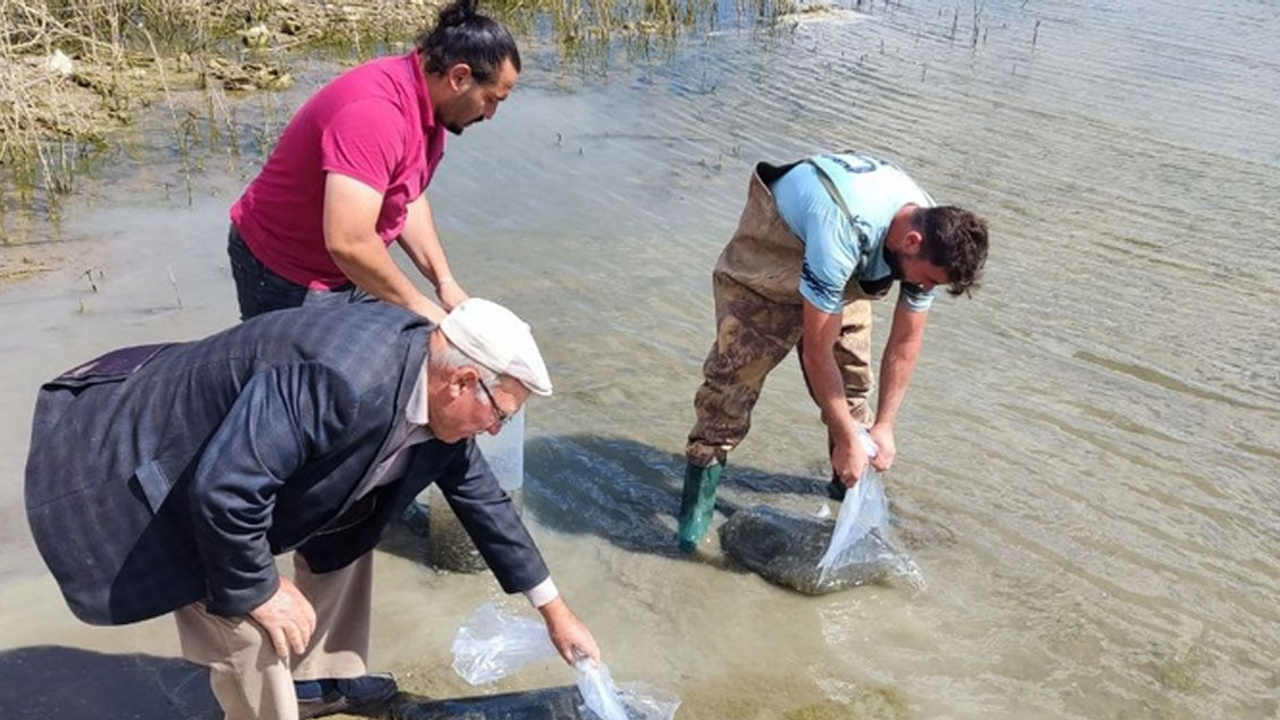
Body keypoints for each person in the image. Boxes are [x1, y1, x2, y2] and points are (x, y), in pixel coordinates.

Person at [24, 299, 600, 720]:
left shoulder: (432, 391)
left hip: (232, 469)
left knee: (356, 531)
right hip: (157, 470)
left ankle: (323, 682)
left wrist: (554, 611)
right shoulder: (341, 378)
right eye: (500, 413)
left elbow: (484, 503)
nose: (498, 428)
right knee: (250, 628)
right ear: (463, 380)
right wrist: (262, 590)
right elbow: (223, 490)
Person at [677, 151, 989, 552]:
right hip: (772, 254)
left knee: (854, 391)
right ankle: (692, 521)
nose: (926, 288)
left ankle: (847, 495)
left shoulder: (932, 236)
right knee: (730, 389)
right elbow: (816, 351)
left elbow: (906, 342)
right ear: (912, 242)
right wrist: (845, 437)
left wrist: (886, 426)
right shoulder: (841, 228)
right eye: (928, 280)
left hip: (842, 268)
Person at [227, 0, 520, 324]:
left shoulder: (432, 106)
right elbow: (348, 242)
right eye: (491, 99)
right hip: (284, 269)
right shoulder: (376, 113)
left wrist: (444, 283)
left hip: (343, 268)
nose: (491, 114)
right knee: (295, 373)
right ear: (459, 77)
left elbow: (405, 196)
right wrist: (421, 306)